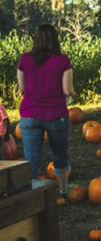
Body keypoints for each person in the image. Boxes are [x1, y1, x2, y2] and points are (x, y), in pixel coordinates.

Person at [17, 24, 74, 195]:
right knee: (59, 155)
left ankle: (32, 196)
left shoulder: (24, 59)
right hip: (55, 115)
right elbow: (67, 90)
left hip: (29, 115)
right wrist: (72, 94)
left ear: (37, 39)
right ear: (55, 40)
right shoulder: (63, 61)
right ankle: (63, 190)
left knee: (31, 159)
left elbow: (22, 88)